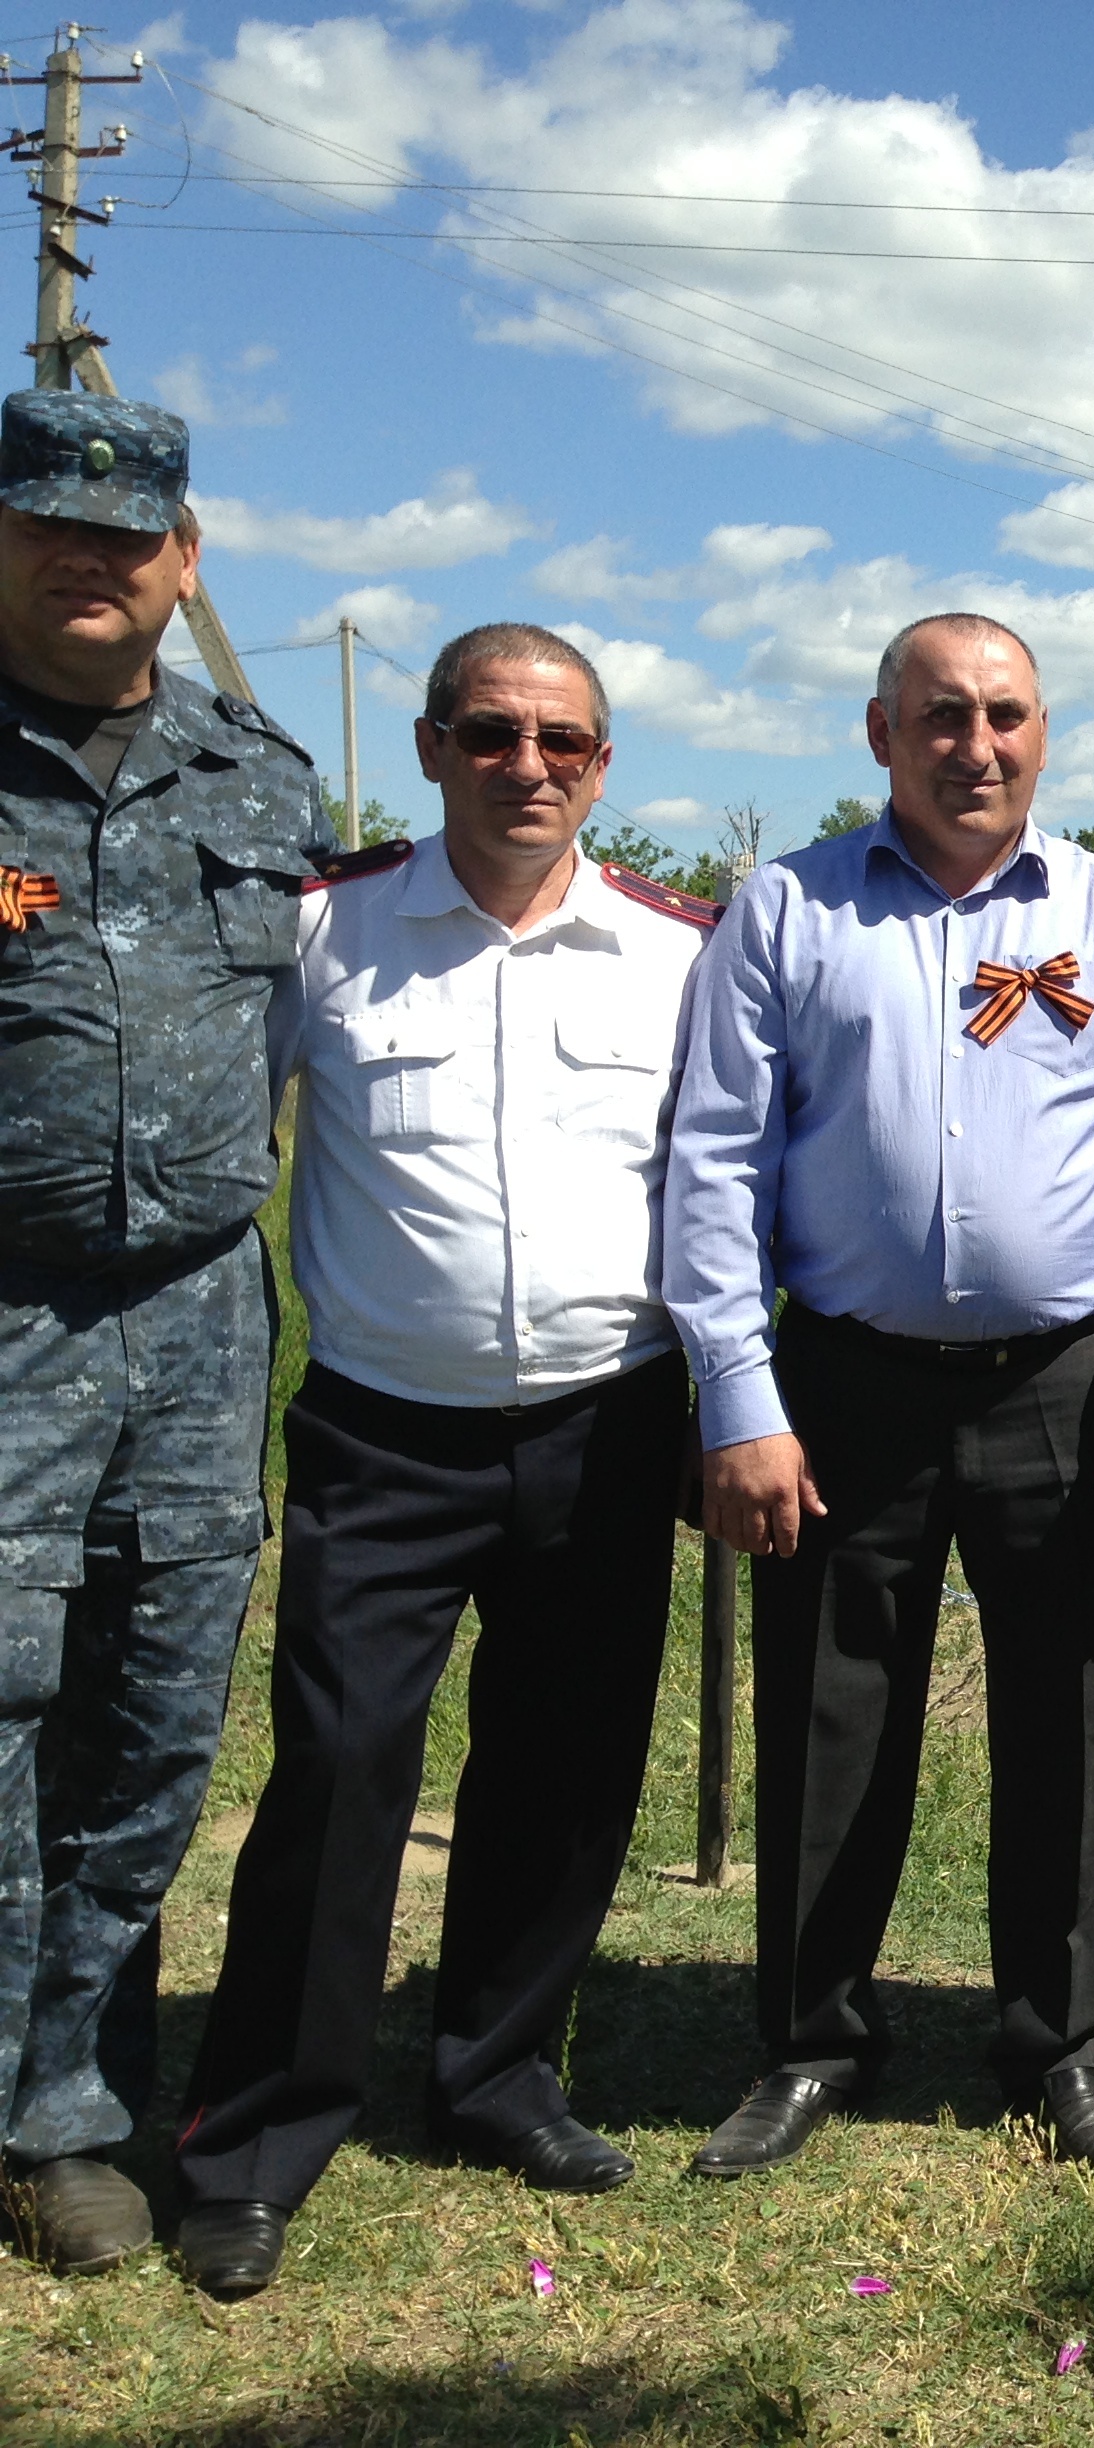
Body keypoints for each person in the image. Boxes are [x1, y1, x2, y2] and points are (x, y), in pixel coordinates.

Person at [166, 628, 713, 2299]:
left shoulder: (678, 953)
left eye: (563, 742)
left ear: (602, 766)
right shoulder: (325, 934)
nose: (526, 766)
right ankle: (262, 2134)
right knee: (339, 1774)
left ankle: (496, 2076)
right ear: (430, 747)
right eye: (490, 734)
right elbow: (216, 1146)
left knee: (565, 1770)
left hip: (608, 1424)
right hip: (384, 1429)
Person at [665, 613, 1094, 2180]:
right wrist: (737, 1395)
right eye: (940, 716)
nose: (974, 745)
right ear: (882, 735)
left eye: (1004, 715)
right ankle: (812, 2040)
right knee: (828, 1714)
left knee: (1079, 1722)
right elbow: (715, 1161)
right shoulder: (787, 912)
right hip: (844, 1383)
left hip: (1074, 1381)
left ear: (1042, 734)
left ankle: (1059, 2044)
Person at [0, 390, 326, 2276]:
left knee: (150, 1730)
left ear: (183, 560)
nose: (89, 559)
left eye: (127, 538)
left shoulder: (259, 778)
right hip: (6, 1316)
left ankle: (75, 2110)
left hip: (203, 1325)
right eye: (50, 522)